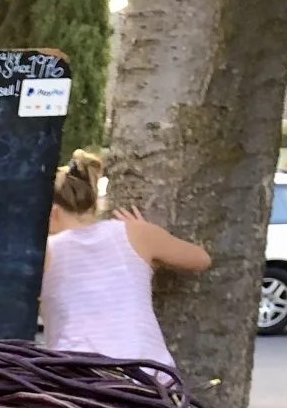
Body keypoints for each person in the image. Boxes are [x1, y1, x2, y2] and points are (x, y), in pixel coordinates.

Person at [39, 150, 211, 367]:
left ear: (53, 212)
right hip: (147, 372)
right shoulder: (134, 233)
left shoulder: (44, 252)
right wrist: (149, 232)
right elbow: (200, 259)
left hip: (77, 375)